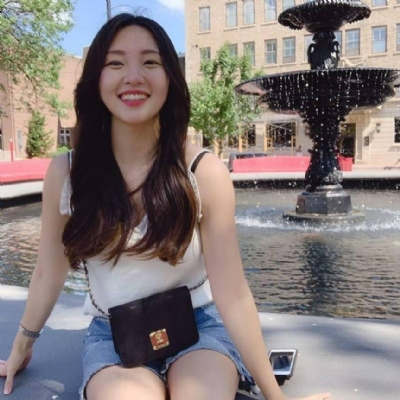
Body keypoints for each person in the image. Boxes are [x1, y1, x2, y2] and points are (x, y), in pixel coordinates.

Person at [0, 14, 332, 400]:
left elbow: (233, 293)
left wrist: (276, 396)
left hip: (199, 327)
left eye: (150, 62)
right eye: (115, 63)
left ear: (170, 77)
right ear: (96, 80)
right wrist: (23, 343)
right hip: (113, 336)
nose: (133, 76)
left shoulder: (202, 172)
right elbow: (48, 270)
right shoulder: (67, 173)